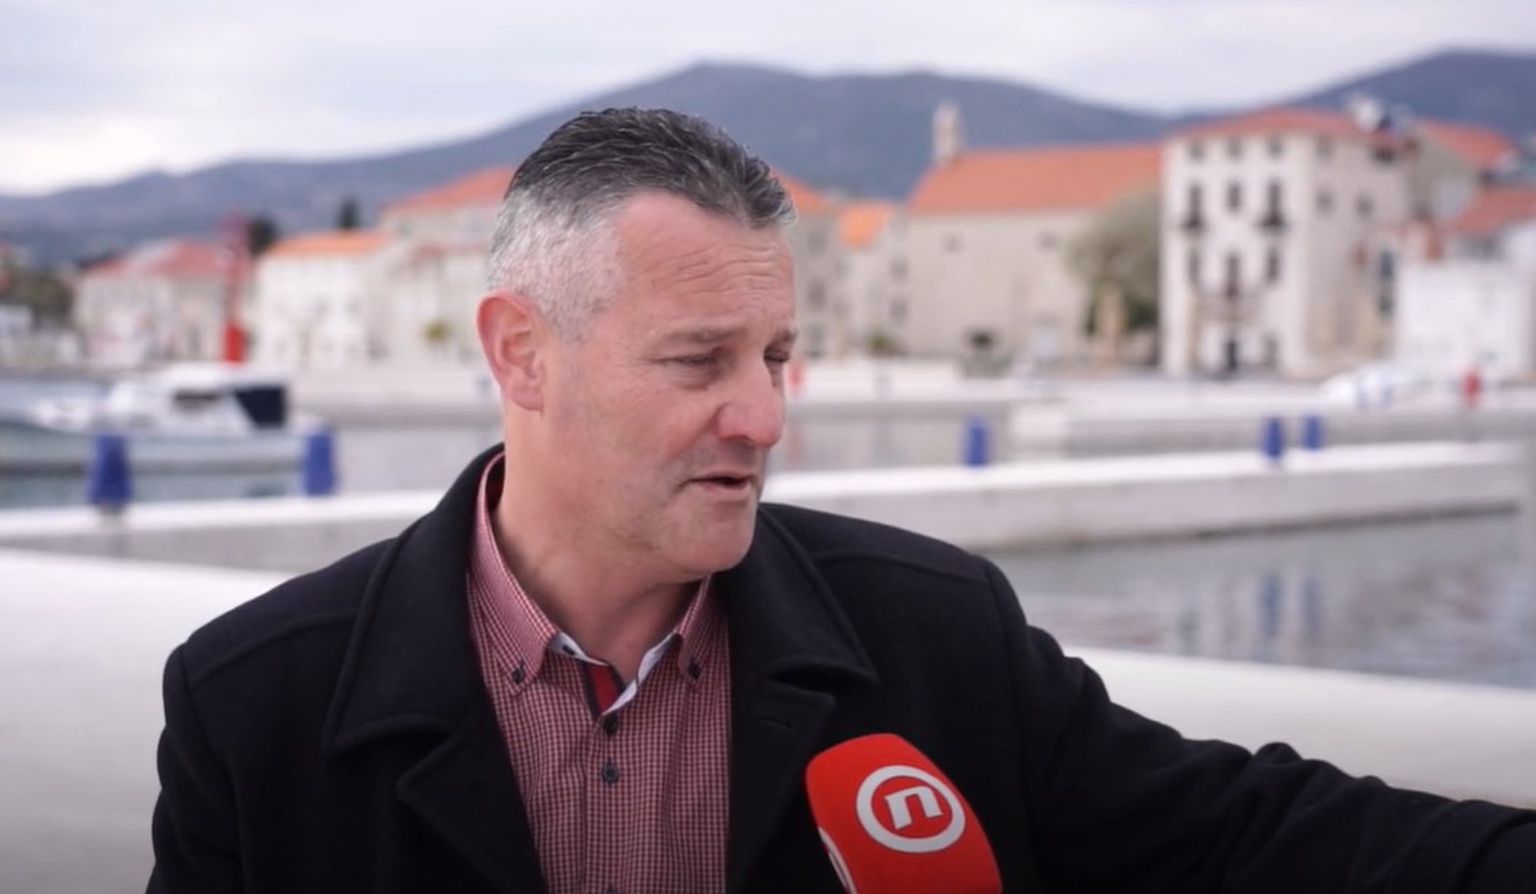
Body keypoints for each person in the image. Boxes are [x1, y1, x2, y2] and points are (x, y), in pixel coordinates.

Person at [148, 108, 1536, 893]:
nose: (764, 417)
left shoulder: (935, 634)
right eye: (699, 361)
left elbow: (1248, 838)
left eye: (777, 355)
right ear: (521, 353)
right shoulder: (255, 702)